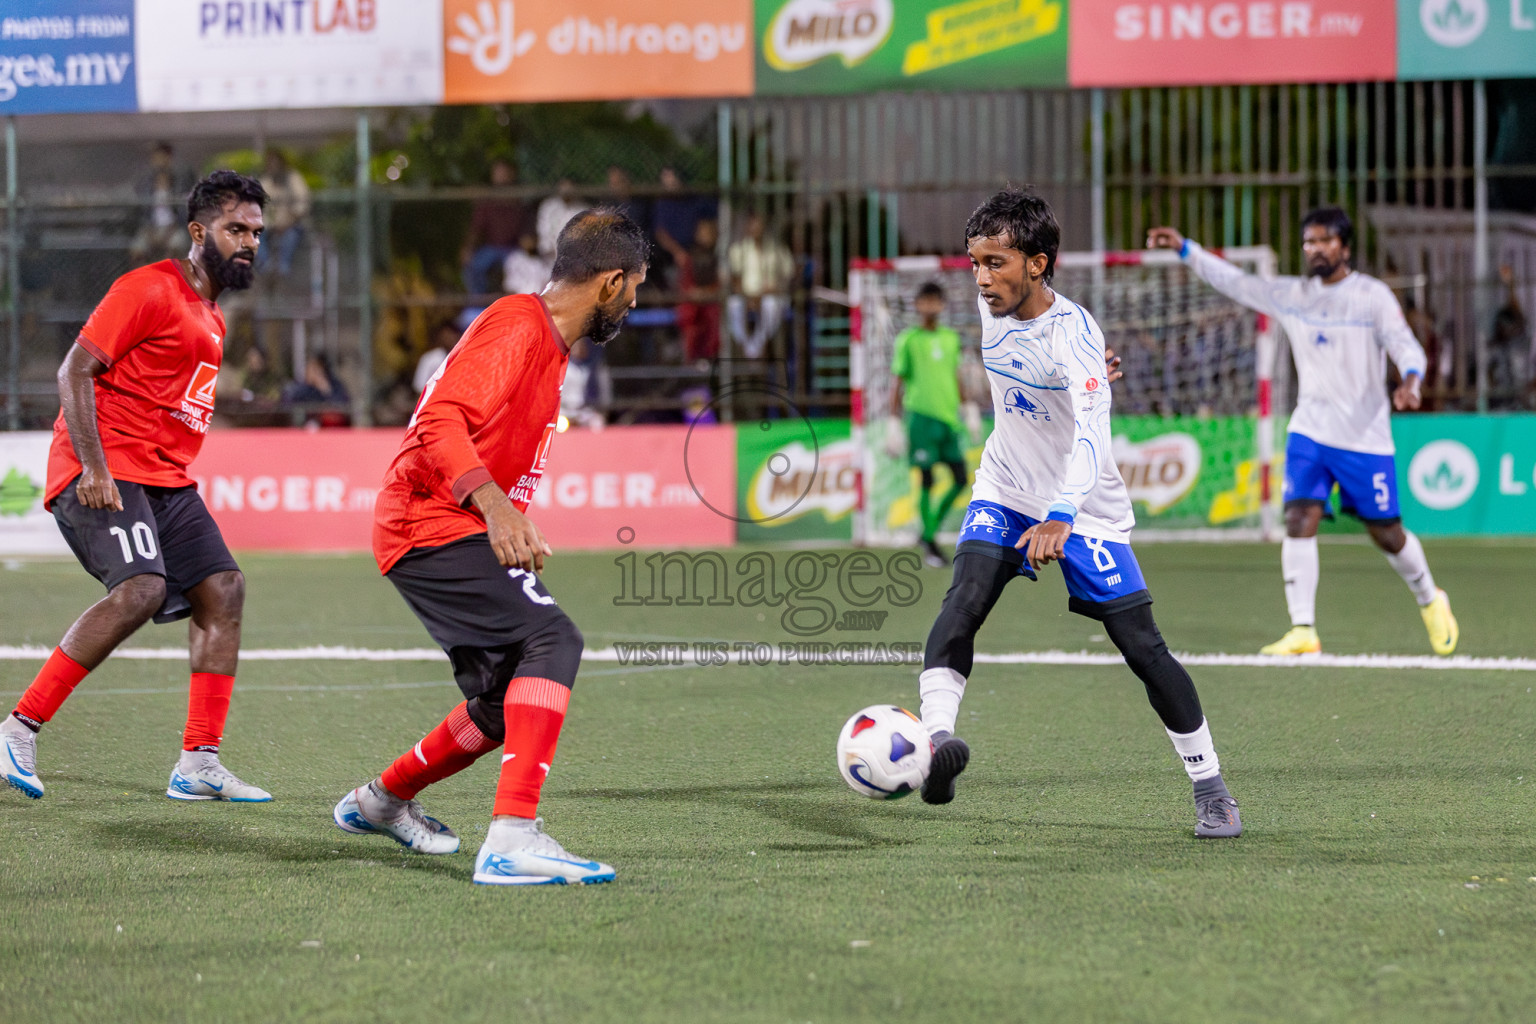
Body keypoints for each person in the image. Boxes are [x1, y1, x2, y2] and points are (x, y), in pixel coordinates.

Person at [333, 208, 649, 886]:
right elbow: (440, 417)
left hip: (447, 521)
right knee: (554, 640)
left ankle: (380, 801)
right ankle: (512, 838)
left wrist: (501, 513)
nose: (635, 302)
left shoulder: (547, 344)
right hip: (428, 520)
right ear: (611, 281)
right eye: (634, 287)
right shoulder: (518, 324)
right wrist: (497, 508)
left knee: (507, 700)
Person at [916, 188, 1241, 840]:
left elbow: (1093, 434)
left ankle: (1212, 789)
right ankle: (934, 744)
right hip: (1006, 486)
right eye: (975, 263)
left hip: (1083, 505)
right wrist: (1082, 376)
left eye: (996, 264)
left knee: (1140, 645)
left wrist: (1062, 514)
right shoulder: (993, 307)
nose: (981, 279)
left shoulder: (1074, 332)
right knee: (963, 599)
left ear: (1038, 264)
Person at [1, 171, 272, 804]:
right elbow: (75, 371)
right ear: (199, 232)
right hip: (103, 467)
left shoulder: (209, 313)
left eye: (257, 232)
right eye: (237, 229)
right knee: (142, 588)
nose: (250, 242)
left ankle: (199, 762)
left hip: (164, 479)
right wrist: (94, 467)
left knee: (224, 588)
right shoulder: (149, 287)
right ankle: (18, 726)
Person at [1148, 208, 1457, 656]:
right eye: (1308, 242)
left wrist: (1411, 380)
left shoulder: (1372, 296)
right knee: (1298, 518)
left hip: (1363, 437)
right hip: (1310, 430)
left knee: (1387, 532)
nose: (1315, 249)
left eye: (1324, 241)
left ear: (1345, 248)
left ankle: (1431, 597)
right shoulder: (1292, 295)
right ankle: (1303, 629)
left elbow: (1405, 344)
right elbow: (1235, 282)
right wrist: (1185, 248)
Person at [891, 281, 971, 569]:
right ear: (917, 305)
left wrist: (968, 407)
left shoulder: (950, 339)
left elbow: (956, 375)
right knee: (926, 478)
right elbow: (897, 382)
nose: (930, 306)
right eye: (925, 301)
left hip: (948, 419)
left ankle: (927, 533)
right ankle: (930, 540)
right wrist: (892, 420)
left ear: (942, 305)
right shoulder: (908, 340)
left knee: (961, 479)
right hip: (921, 418)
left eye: (935, 301)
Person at [726, 212, 795, 360]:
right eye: (752, 223)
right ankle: (746, 345)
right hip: (747, 297)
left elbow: (789, 277)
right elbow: (734, 279)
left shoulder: (778, 249)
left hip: (774, 295)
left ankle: (758, 346)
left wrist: (774, 290)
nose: (755, 227)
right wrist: (748, 297)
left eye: (758, 223)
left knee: (770, 304)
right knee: (733, 304)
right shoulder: (739, 249)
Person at [461, 159, 529, 296]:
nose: (501, 176)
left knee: (521, 267)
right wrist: (468, 247)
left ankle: (514, 305)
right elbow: (476, 228)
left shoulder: (521, 200)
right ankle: (478, 303)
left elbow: (527, 227)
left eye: (504, 172)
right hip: (491, 247)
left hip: (514, 248)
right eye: (498, 172)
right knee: (474, 265)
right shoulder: (487, 201)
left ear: (512, 174)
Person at [257, 149, 310, 277]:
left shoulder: (293, 179)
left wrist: (291, 219)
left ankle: (283, 270)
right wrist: (270, 224)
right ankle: (265, 268)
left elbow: (303, 203)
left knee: (290, 236)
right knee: (255, 235)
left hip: (292, 224)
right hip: (270, 226)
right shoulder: (265, 182)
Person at [536, 178, 585, 259]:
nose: (566, 190)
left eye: (569, 187)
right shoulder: (548, 206)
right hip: (549, 251)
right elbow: (543, 230)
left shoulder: (582, 209)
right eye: (563, 187)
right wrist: (550, 248)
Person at [413, 320, 459, 396]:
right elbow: (419, 387)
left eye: (451, 335)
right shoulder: (429, 358)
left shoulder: (464, 355)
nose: (449, 339)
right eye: (446, 336)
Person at [503, 231, 552, 297]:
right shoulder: (515, 259)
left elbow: (548, 280)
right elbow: (510, 284)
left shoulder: (544, 260)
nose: (529, 244)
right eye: (526, 241)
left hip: (540, 298)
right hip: (520, 297)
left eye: (531, 240)